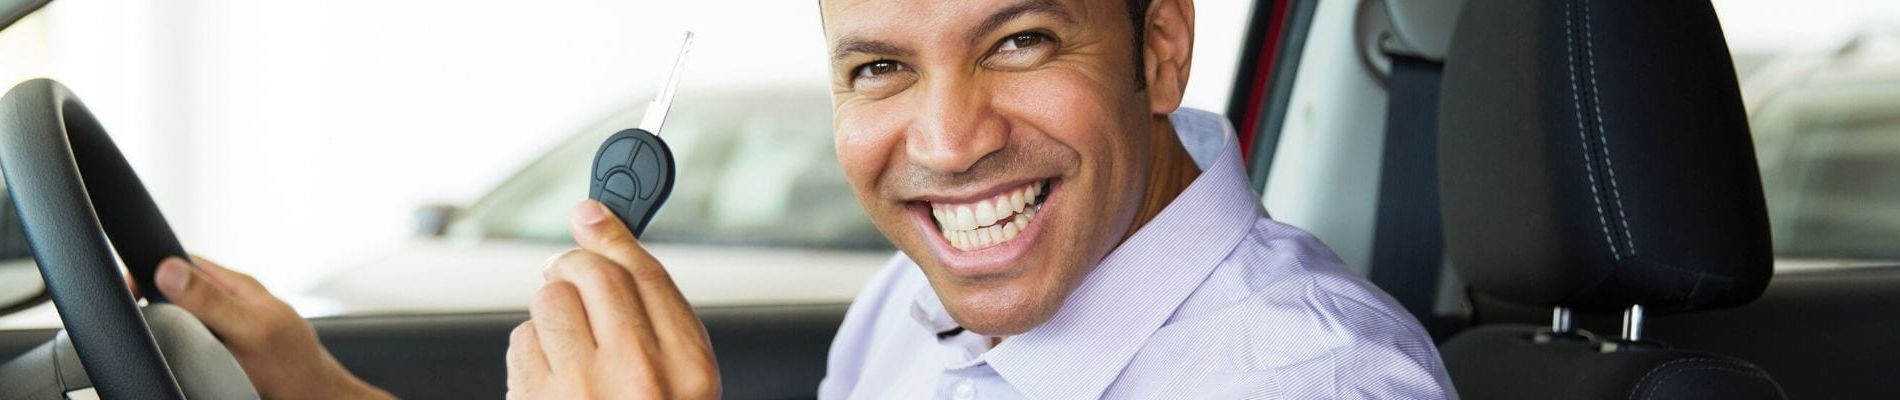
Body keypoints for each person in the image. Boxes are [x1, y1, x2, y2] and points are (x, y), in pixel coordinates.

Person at [152, 0, 1455, 398]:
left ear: (1160, 48)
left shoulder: (1313, 383)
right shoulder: (915, 311)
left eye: (1020, 43)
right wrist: (314, 386)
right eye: (881, 69)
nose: (946, 141)